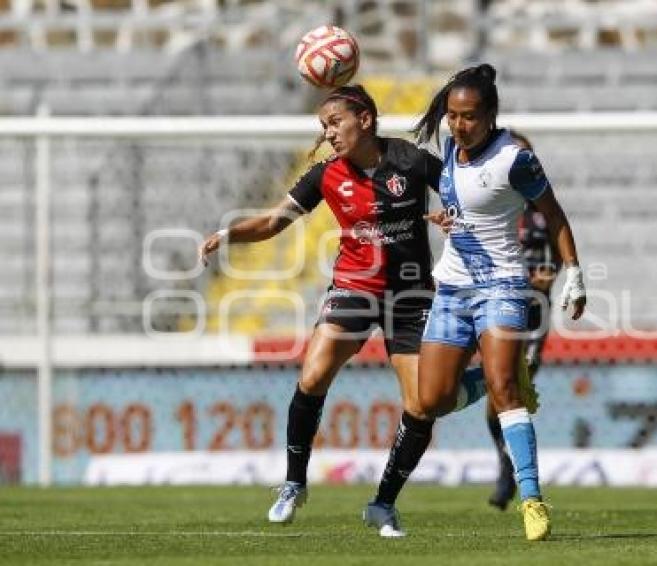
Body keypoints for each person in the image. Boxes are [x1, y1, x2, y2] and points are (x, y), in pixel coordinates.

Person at [198, 85, 486, 538]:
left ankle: (383, 504)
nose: (329, 133)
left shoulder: (411, 161)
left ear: (365, 120)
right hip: (354, 288)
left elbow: (463, 197)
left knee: (426, 404)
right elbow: (274, 222)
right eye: (324, 127)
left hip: (409, 297)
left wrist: (454, 218)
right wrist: (227, 234)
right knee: (312, 375)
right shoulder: (325, 175)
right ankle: (294, 482)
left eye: (335, 123)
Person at [413, 64, 586, 541]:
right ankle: (502, 374)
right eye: (452, 115)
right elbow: (471, 204)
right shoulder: (451, 147)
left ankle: (532, 499)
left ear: (490, 114)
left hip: (503, 285)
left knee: (505, 391)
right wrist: (451, 219)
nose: (458, 125)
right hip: (451, 287)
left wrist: (574, 272)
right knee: (431, 400)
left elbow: (553, 214)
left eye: (468, 116)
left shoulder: (516, 158)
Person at [486, 130, 562, 511]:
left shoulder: (540, 207)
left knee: (513, 385)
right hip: (494, 305)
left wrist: (550, 275)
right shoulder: (490, 205)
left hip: (532, 308)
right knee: (496, 392)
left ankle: (515, 473)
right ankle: (507, 464)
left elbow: (558, 251)